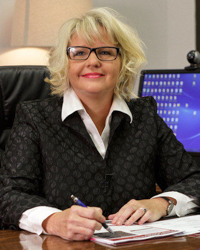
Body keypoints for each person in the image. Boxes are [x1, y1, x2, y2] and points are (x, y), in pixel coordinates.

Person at [0, 7, 200, 241]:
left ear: (123, 61)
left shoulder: (144, 114)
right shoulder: (35, 117)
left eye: (105, 52)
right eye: (79, 52)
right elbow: (8, 196)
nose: (93, 61)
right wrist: (54, 221)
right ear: (65, 61)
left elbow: (193, 179)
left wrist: (161, 203)